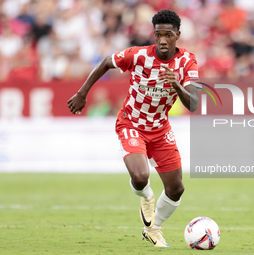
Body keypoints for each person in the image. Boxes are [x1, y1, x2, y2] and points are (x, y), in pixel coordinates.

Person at [67, 9, 199, 247]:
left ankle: (154, 230)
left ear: (177, 35)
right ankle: (146, 196)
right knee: (140, 176)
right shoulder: (138, 55)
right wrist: (82, 93)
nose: (162, 40)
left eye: (168, 35)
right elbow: (108, 62)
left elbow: (195, 104)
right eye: (158, 34)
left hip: (160, 129)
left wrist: (177, 85)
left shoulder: (187, 62)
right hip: (131, 123)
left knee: (176, 188)